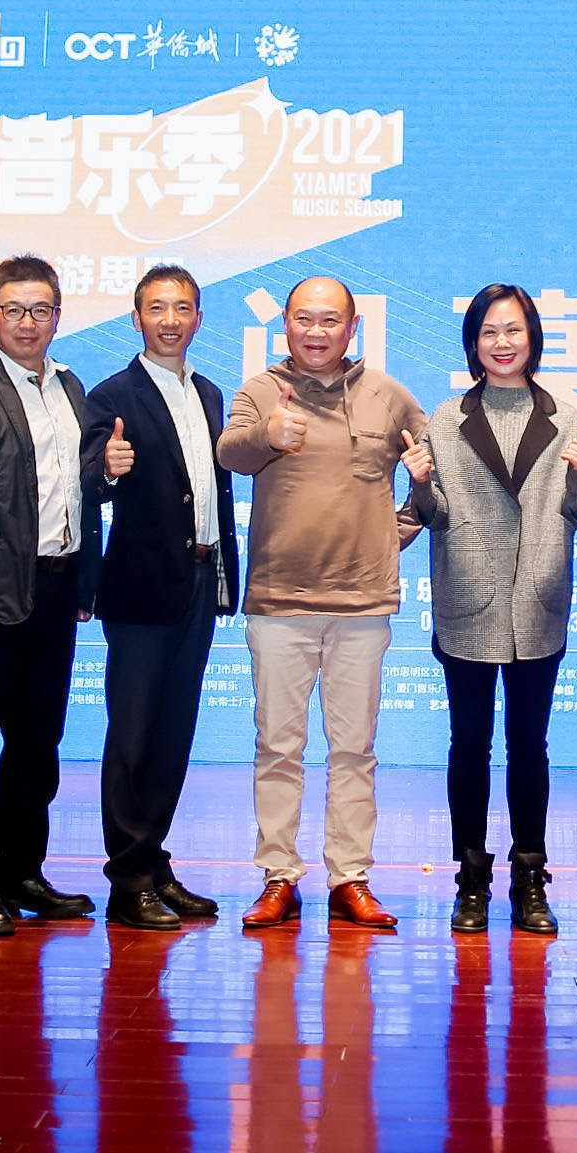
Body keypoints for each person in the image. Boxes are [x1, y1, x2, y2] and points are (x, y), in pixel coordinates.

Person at [216, 276, 428, 933]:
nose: (316, 331)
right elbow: (229, 452)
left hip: (362, 604)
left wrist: (392, 533)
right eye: (304, 319)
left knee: (354, 750)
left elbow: (434, 471)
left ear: (352, 326)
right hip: (279, 600)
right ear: (285, 323)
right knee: (277, 747)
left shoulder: (388, 395)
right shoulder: (260, 391)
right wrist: (268, 434)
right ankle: (278, 876)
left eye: (330, 320)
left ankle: (350, 878)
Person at [0, 255, 123, 937]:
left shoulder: (70, 388)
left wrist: (108, 472)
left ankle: (21, 870)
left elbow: (83, 485)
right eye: (13, 309)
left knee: (38, 742)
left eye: (40, 310)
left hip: (56, 586)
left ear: (57, 318)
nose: (26, 322)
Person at [401, 283, 577, 935]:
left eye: (513, 330)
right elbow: (434, 516)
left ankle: (529, 876)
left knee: (529, 747)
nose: (502, 342)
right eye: (489, 331)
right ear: (473, 343)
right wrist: (420, 484)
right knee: (468, 745)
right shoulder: (445, 418)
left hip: (538, 598)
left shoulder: (567, 416)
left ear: (533, 337)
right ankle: (470, 878)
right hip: (467, 599)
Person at [81, 265, 239, 931]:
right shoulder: (111, 394)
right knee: (133, 735)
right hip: (141, 588)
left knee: (173, 734)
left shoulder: (209, 392)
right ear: (136, 318)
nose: (169, 320)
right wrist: (106, 470)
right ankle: (127, 879)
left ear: (198, 318)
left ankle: (153, 861)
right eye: (156, 308)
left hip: (199, 580)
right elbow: (90, 476)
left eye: (181, 308)